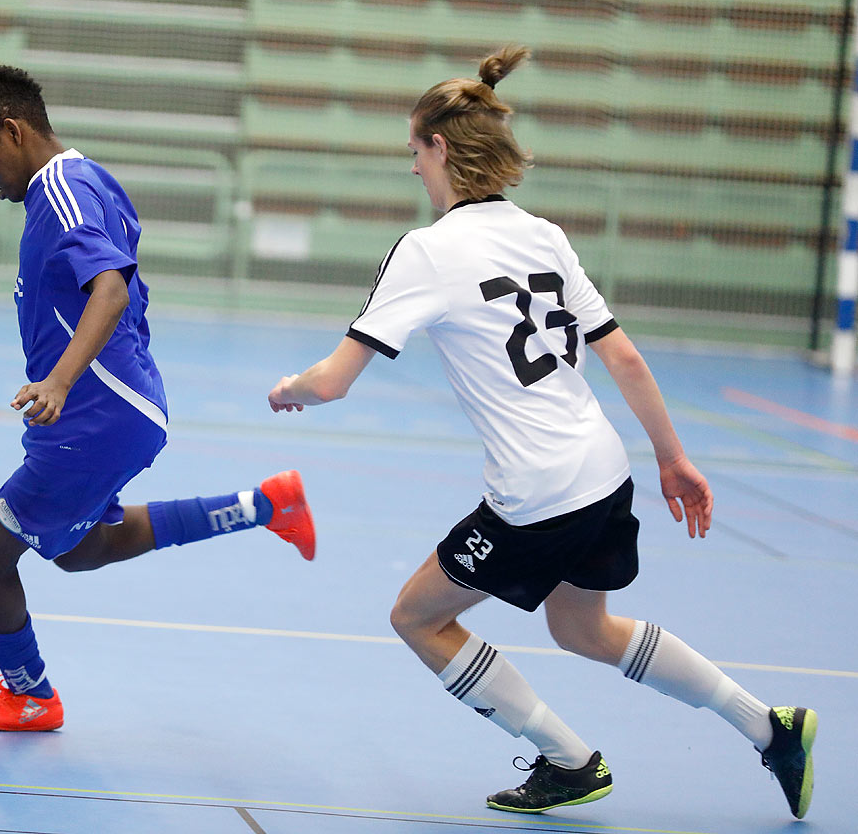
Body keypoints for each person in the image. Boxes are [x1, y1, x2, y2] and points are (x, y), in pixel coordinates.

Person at [265, 46, 817, 818]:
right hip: (603, 470)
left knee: (417, 617)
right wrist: (674, 459)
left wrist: (290, 390)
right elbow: (621, 356)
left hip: (537, 493)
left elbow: (332, 380)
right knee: (581, 626)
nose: (413, 169)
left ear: (443, 148)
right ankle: (771, 728)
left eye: (415, 152)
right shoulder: (544, 235)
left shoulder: (426, 251)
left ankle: (570, 761)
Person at [0, 64, 316, 731]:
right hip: (118, 410)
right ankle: (264, 504)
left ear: (13, 129)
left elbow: (111, 288)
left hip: (94, 414)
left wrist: (60, 380)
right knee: (85, 549)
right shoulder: (83, 181)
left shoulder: (60, 191)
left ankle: (31, 697)